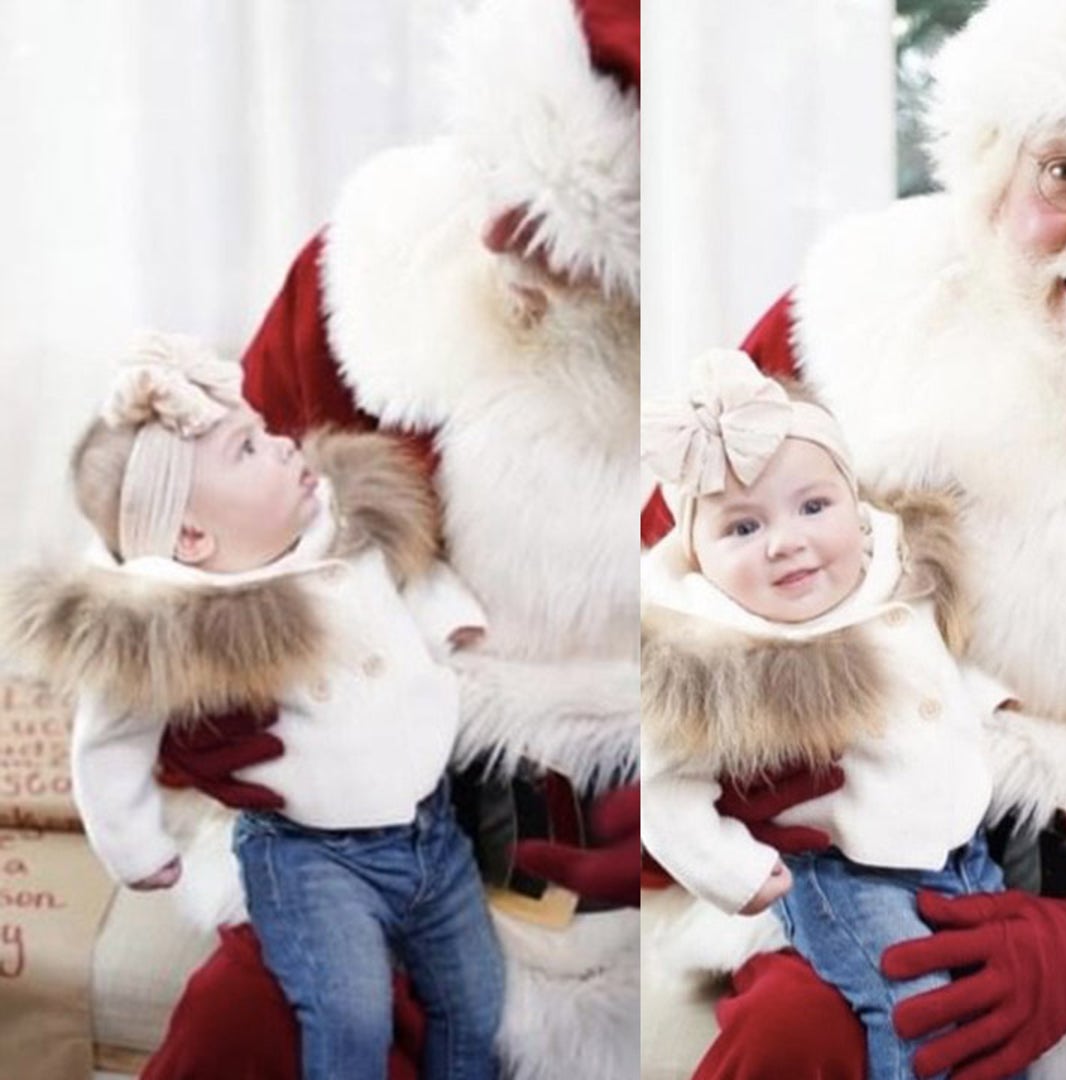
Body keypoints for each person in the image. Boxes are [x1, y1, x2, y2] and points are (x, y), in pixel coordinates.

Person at [639, 0, 1066, 1076]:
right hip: (877, 879)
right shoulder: (862, 316)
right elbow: (683, 569)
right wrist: (760, 743)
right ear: (994, 171)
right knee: (792, 1039)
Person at [132, 2, 646, 1078]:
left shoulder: (767, 359)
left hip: (653, 916)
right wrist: (201, 680)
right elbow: (197, 547)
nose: (499, 236)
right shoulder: (372, 271)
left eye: (566, 223)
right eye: (499, 171)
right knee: (243, 1030)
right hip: (369, 850)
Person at [7, 336, 503, 1079]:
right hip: (311, 857)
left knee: (476, 1001)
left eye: (264, 429)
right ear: (194, 537)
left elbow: (405, 577)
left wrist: (448, 618)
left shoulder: (339, 524)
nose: (280, 445)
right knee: (347, 1013)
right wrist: (136, 847)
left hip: (434, 832)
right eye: (247, 450)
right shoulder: (173, 625)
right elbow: (109, 741)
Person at [640, 349, 1022, 1079]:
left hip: (963, 851)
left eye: (814, 507)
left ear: (854, 501)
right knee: (916, 1016)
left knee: (993, 1013)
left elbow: (930, 668)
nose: (787, 542)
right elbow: (664, 782)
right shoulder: (712, 647)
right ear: (696, 551)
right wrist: (730, 868)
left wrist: (986, 698)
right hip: (845, 873)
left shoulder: (892, 573)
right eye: (742, 529)